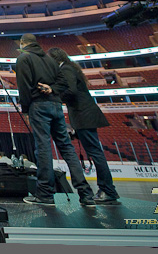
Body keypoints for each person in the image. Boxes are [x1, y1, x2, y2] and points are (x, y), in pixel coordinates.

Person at [15, 33, 96, 206]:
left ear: (23, 44)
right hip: (57, 106)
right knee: (67, 148)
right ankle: (86, 193)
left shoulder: (24, 58)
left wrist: (26, 110)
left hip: (38, 106)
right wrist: (52, 89)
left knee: (43, 148)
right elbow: (63, 84)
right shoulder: (51, 60)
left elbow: (24, 87)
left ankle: (45, 194)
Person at [47, 47, 121, 205]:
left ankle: (108, 190)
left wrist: (54, 95)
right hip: (85, 114)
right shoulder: (70, 68)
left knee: (96, 153)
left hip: (83, 115)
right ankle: (108, 190)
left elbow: (71, 91)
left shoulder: (65, 69)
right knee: (95, 152)